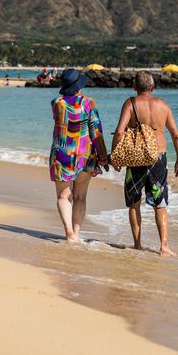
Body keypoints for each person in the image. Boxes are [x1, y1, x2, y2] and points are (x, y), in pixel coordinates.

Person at [111, 72, 178, 257]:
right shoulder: (163, 105)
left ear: (135, 87)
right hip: (158, 158)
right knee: (160, 203)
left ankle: (137, 244)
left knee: (134, 203)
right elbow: (176, 135)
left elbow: (119, 132)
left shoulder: (130, 103)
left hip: (136, 158)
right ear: (152, 87)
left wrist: (115, 156)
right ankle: (164, 246)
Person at [49, 68, 109, 243]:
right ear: (78, 85)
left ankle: (68, 231)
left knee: (63, 196)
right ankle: (76, 233)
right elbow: (96, 131)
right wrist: (103, 156)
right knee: (80, 196)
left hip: (62, 154)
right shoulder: (89, 103)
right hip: (84, 155)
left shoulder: (56, 102)